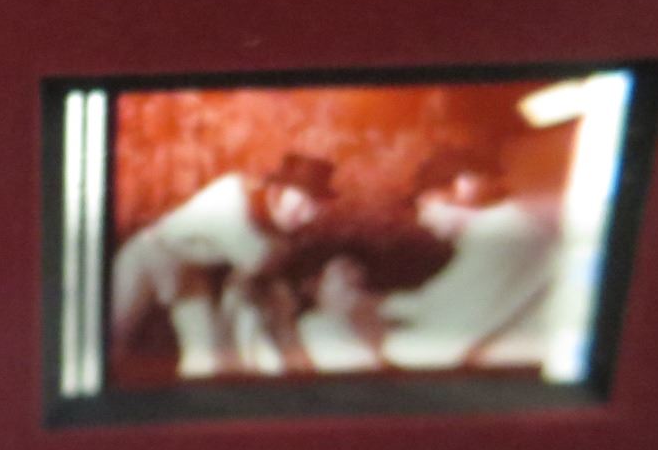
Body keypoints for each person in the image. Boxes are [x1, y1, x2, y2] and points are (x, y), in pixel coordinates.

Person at [111, 152, 337, 378]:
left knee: (208, 361)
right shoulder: (231, 196)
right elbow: (257, 259)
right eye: (303, 204)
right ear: (277, 190)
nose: (307, 217)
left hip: (190, 273)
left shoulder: (276, 225)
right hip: (148, 256)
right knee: (111, 337)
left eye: (314, 208)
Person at [378, 147, 559, 370]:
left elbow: (440, 348)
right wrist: (386, 304)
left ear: (464, 185)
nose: (424, 220)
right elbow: (445, 297)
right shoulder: (503, 227)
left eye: (427, 205)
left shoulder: (498, 230)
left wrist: (370, 334)